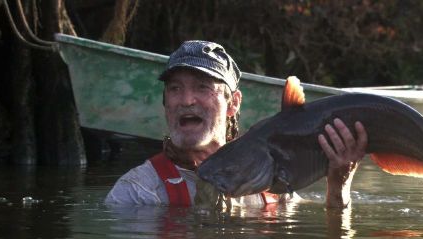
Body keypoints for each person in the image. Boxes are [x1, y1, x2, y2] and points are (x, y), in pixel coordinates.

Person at [105, 40, 367, 208]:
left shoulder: (274, 183)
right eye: (175, 89)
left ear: (233, 104)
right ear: (165, 103)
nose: (186, 100)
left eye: (202, 87)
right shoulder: (136, 193)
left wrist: (339, 187)